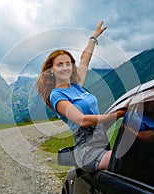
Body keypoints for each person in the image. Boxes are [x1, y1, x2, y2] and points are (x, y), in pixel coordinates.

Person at [36, 21, 126, 172]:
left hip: (103, 143)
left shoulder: (76, 85)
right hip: (87, 150)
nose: (65, 68)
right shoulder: (56, 95)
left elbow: (85, 58)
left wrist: (93, 37)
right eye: (60, 65)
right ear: (51, 70)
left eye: (68, 63)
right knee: (123, 160)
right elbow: (82, 120)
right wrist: (115, 116)